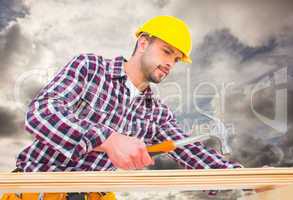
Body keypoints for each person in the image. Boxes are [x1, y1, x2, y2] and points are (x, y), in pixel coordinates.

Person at [3, 15, 242, 200]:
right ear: (143, 42)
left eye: (176, 59)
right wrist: (106, 139)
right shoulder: (90, 68)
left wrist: (240, 176)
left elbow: (192, 152)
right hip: (39, 189)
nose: (170, 63)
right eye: (167, 51)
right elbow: (42, 113)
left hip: (93, 195)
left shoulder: (156, 113)